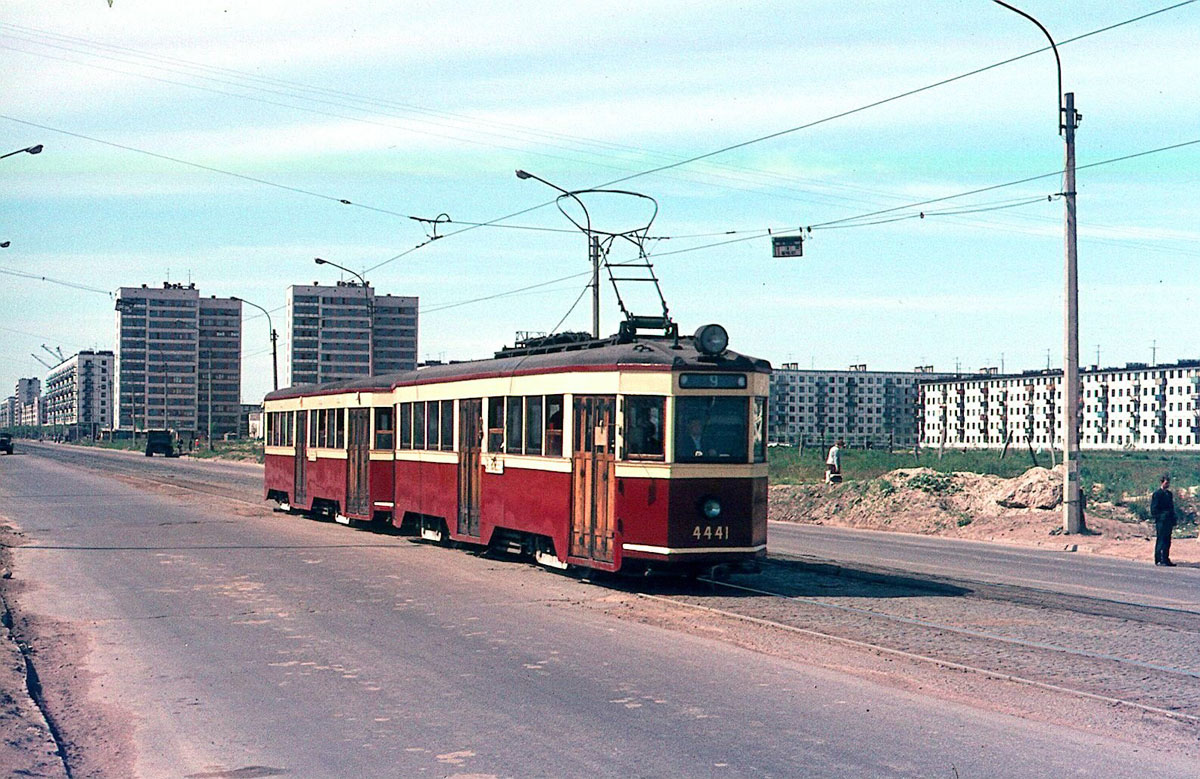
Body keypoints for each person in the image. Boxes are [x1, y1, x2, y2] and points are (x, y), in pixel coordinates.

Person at [1150, 475, 1177, 566]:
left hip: (1168, 520)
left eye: (1168, 483)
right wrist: (1161, 516)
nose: (1167, 484)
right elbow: (1154, 509)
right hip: (1161, 521)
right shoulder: (1157, 494)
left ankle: (1165, 558)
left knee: (1167, 540)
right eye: (1166, 482)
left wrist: (1173, 518)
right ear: (1162, 482)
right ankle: (1158, 559)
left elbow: (1171, 507)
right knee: (1161, 539)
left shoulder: (1169, 494)